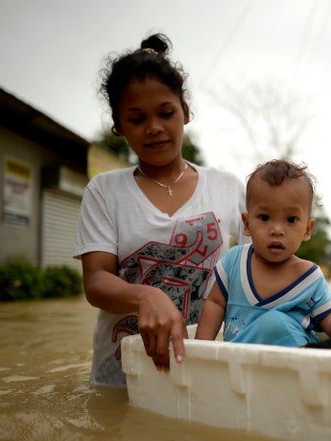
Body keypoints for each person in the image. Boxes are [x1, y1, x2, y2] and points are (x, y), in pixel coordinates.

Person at [73, 33, 248, 387]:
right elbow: (95, 282)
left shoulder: (228, 187)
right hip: (122, 374)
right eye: (137, 119)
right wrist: (145, 295)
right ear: (119, 127)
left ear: (185, 112)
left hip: (205, 365)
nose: (154, 128)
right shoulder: (105, 191)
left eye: (166, 113)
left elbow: (254, 272)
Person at [195, 159, 331, 352]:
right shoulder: (233, 262)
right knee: (273, 322)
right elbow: (215, 303)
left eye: (291, 219)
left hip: (298, 366)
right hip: (242, 365)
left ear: (307, 229)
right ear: (247, 224)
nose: (277, 230)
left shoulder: (309, 276)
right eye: (264, 218)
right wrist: (200, 351)